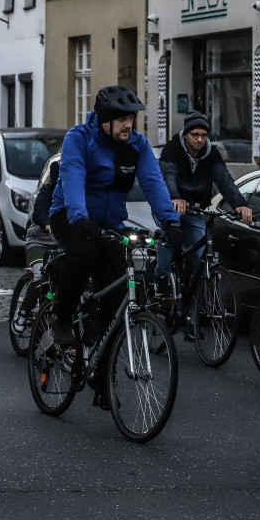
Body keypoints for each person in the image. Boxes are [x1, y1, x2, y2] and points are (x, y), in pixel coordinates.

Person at [48, 85, 181, 353]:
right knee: (84, 254)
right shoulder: (79, 138)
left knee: (117, 290)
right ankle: (61, 318)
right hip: (71, 215)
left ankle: (101, 371)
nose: (128, 125)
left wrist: (170, 221)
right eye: (122, 119)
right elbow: (72, 177)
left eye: (131, 119)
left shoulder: (137, 146)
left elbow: (153, 183)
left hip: (110, 222)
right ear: (104, 119)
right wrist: (79, 216)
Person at [153, 110, 252, 293]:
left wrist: (240, 204)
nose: (200, 140)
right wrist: (175, 198)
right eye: (195, 135)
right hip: (170, 206)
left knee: (200, 254)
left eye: (204, 135)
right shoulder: (172, 149)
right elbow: (168, 177)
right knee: (170, 234)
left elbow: (224, 180)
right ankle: (161, 279)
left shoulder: (211, 153)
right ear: (186, 134)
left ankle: (193, 295)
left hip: (195, 210)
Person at [11, 155, 60, 335]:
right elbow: (39, 212)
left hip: (61, 243)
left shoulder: (75, 194)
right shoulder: (45, 193)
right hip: (39, 241)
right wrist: (48, 225)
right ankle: (23, 312)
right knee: (39, 276)